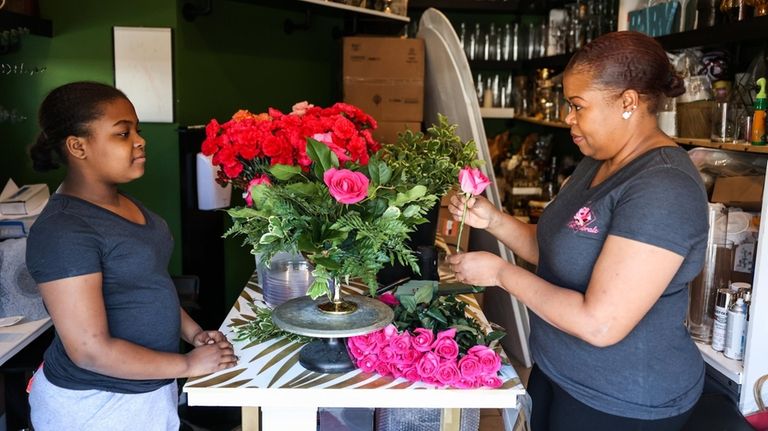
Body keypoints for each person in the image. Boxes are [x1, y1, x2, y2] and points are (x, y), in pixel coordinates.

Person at [447, 31, 708, 431]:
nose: (568, 118)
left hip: (620, 400)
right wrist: (493, 220)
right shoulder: (598, 161)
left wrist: (500, 273)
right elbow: (554, 248)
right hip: (559, 371)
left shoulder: (663, 188)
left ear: (628, 102)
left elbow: (600, 324)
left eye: (577, 106)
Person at [25, 81, 238, 431]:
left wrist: (193, 333)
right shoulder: (63, 230)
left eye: (136, 130)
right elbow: (90, 351)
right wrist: (187, 365)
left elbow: (149, 283)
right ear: (78, 146)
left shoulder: (123, 204)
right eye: (122, 134)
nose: (140, 141)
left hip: (148, 393)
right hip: (95, 406)